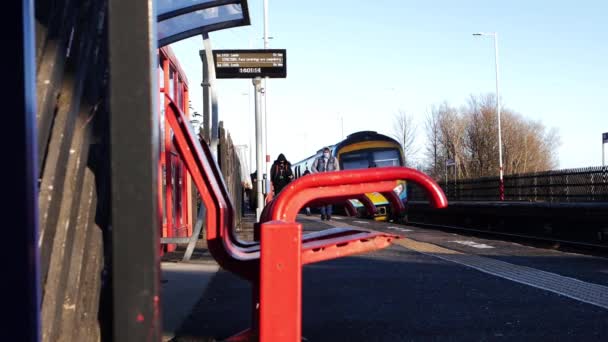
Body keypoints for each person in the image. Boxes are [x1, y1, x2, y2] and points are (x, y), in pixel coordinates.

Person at [311, 147, 339, 220]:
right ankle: (323, 214)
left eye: (327, 152)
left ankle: (329, 214)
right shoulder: (318, 159)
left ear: (329, 152)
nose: (325, 153)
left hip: (330, 181)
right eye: (324, 152)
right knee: (322, 198)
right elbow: (313, 167)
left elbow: (337, 169)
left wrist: (332, 175)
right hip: (321, 181)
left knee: (329, 198)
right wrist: (318, 174)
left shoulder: (334, 159)